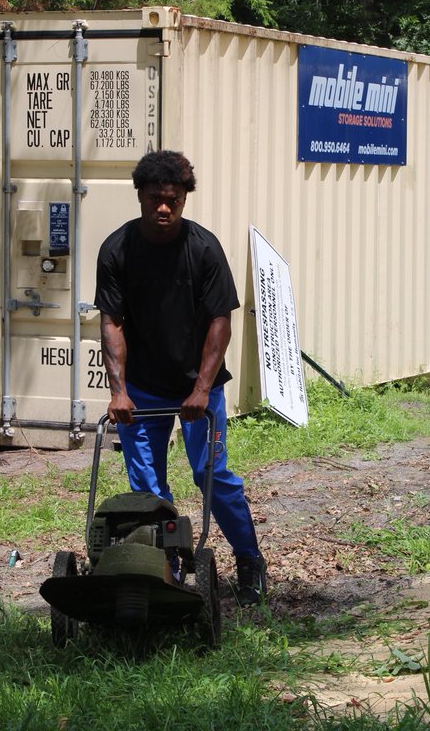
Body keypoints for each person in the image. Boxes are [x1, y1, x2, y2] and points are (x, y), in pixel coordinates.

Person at [94, 150, 268, 607]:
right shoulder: (117, 249)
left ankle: (249, 560)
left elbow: (220, 323)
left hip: (198, 386)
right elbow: (111, 321)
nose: (163, 208)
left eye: (172, 199)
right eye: (155, 199)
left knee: (211, 473)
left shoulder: (203, 249)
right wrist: (119, 391)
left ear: (185, 199)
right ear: (140, 197)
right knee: (146, 485)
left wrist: (202, 389)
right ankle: (165, 567)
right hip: (144, 391)